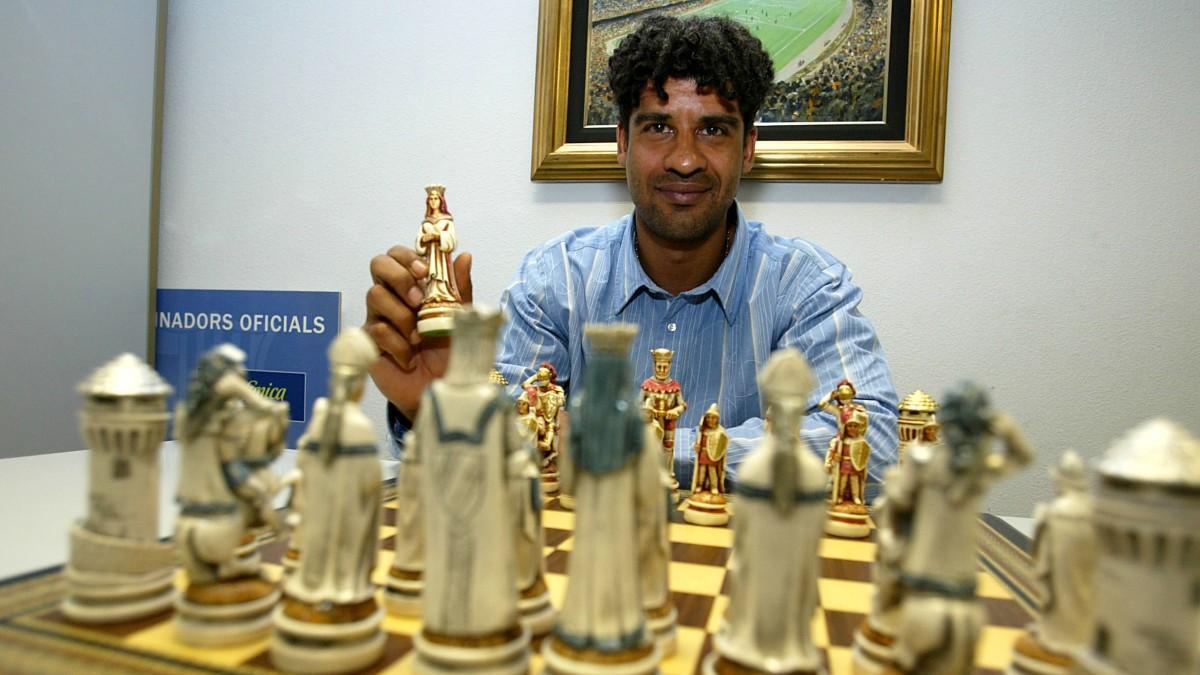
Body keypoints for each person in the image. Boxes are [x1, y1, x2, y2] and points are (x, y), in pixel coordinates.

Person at [365, 15, 899, 489]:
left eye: (713, 129)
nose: (685, 160)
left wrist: (639, 444)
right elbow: (500, 441)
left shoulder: (806, 286)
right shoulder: (557, 278)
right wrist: (435, 405)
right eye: (659, 127)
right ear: (621, 141)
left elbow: (871, 448)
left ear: (749, 149)